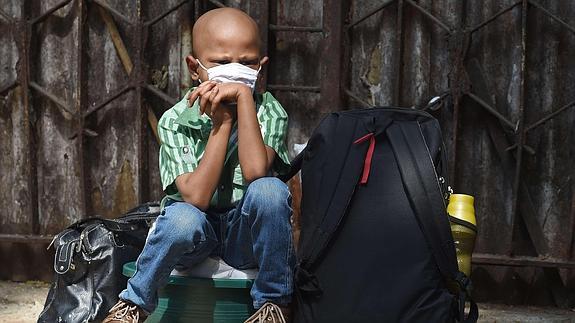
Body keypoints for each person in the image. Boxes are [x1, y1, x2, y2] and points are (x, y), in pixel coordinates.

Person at [103, 7, 295, 323]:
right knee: (180, 217)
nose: (235, 70)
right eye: (221, 62)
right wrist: (222, 124)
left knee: (271, 190)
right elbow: (196, 198)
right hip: (195, 233)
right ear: (195, 67)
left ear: (261, 68)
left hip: (242, 234)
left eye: (246, 63)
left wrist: (244, 102)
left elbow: (256, 173)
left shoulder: (270, 112)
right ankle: (134, 305)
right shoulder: (176, 120)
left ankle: (273, 305)